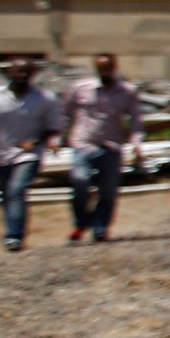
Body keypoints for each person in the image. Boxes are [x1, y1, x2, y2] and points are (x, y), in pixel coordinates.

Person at [0, 58, 63, 253]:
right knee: (6, 195)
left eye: (27, 72)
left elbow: (54, 127)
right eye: (18, 72)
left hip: (28, 156)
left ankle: (14, 237)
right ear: (9, 73)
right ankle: (13, 230)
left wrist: (36, 142)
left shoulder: (45, 99)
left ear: (33, 75)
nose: (22, 76)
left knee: (16, 190)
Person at [63, 51, 145, 243]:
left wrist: (136, 144)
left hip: (111, 146)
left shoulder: (127, 92)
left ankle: (100, 228)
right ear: (96, 68)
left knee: (108, 191)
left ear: (114, 67)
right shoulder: (80, 88)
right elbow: (65, 113)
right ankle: (81, 221)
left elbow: (136, 120)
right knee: (79, 181)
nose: (105, 71)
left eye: (108, 67)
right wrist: (57, 136)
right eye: (101, 68)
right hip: (83, 144)